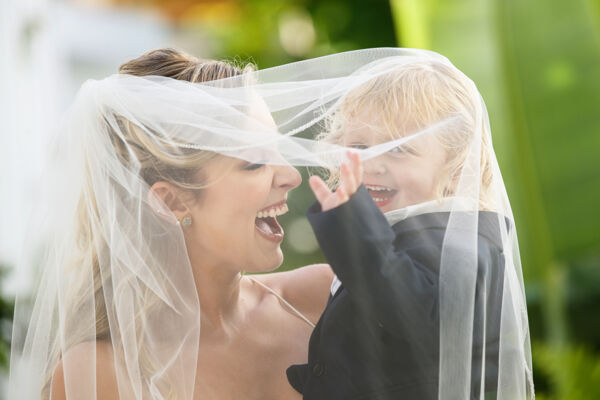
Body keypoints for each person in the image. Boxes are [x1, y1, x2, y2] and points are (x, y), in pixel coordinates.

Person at [8, 48, 333, 400]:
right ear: (171, 201)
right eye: (254, 163)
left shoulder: (323, 298)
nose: (290, 176)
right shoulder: (102, 371)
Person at [287, 58, 534, 399]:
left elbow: (415, 316)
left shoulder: (463, 245)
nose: (373, 163)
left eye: (399, 149)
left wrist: (355, 234)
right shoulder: (394, 235)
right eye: (359, 148)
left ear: (456, 171)